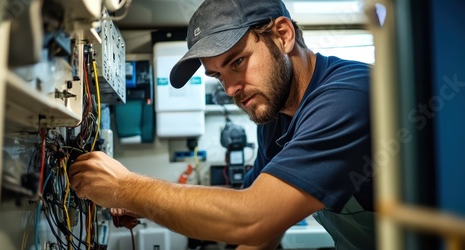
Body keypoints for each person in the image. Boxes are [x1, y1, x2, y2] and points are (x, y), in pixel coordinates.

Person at [69, 0, 376, 249]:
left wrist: (125, 187)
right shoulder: (276, 118)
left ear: (283, 35)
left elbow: (253, 218)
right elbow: (258, 231)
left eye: (237, 62)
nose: (230, 89)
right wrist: (149, 203)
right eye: (218, 75)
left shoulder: (348, 97)